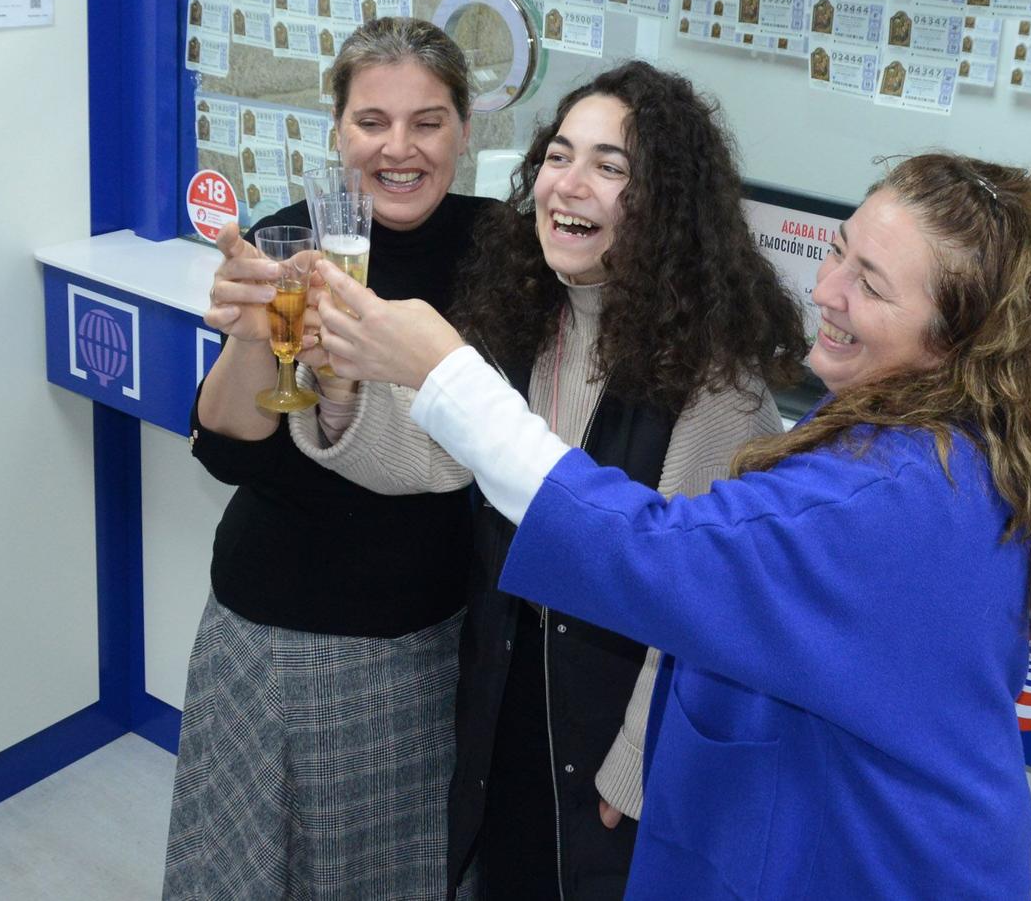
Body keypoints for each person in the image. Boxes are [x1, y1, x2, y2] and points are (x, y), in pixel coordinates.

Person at [312, 153, 1031, 897]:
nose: (827, 290)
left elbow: (651, 551)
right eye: (838, 252)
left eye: (870, 285)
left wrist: (446, 375)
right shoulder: (950, 431)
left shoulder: (897, 492)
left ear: (955, 342)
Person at [291, 63, 806, 897]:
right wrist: (339, 379)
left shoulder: (719, 385)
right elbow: (429, 457)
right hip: (506, 705)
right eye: (560, 155)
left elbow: (703, 605)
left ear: (666, 206)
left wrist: (635, 765)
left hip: (610, 746)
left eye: (611, 166)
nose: (568, 183)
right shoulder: (525, 318)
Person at [165, 18, 491, 899]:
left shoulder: (503, 252)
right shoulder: (288, 242)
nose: (399, 147)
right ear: (338, 131)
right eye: (371, 121)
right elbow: (226, 449)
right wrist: (244, 336)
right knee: (245, 873)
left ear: (466, 129)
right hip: (271, 623)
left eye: (428, 121)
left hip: (427, 633)